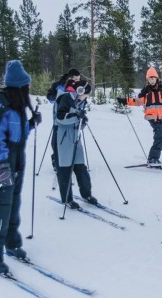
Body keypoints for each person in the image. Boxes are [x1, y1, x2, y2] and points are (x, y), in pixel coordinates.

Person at [0, 60, 42, 274]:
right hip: (2, 161)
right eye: (26, 86)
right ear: (18, 86)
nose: (28, 90)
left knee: (14, 203)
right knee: (0, 206)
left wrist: (32, 123)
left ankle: (12, 243)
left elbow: (19, 133)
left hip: (18, 159)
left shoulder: (18, 106)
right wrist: (2, 164)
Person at [55, 79, 99, 209]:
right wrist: (76, 116)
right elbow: (60, 117)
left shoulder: (78, 101)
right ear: (80, 91)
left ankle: (87, 194)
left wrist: (82, 121)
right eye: (86, 94)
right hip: (64, 139)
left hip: (75, 137)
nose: (86, 97)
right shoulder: (66, 98)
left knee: (81, 168)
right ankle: (67, 198)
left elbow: (77, 121)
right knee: (65, 170)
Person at [47, 68, 81, 172]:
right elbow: (50, 97)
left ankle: (72, 161)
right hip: (59, 117)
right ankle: (56, 160)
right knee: (57, 141)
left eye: (78, 79)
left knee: (73, 139)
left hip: (73, 117)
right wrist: (59, 97)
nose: (77, 81)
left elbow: (81, 100)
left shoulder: (78, 86)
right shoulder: (58, 84)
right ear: (69, 77)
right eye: (75, 79)